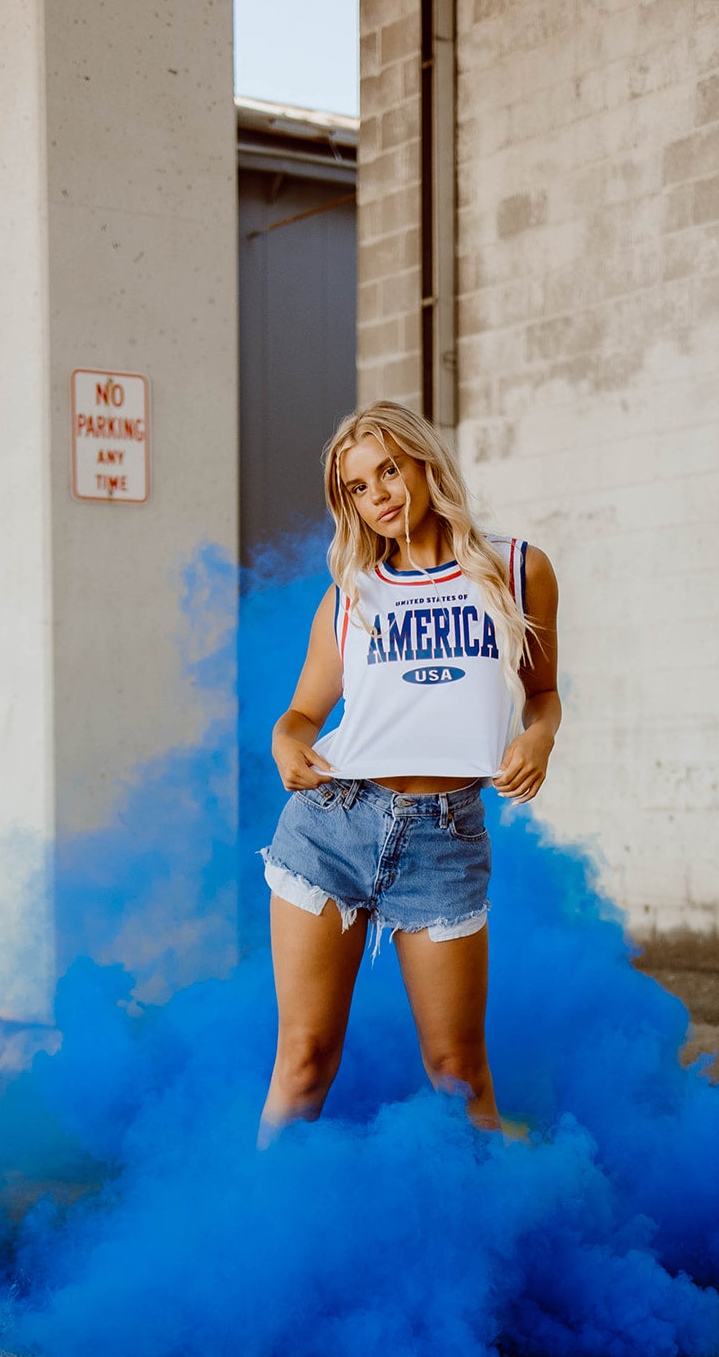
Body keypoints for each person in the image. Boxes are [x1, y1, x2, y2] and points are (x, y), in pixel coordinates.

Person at [259, 400, 560, 1143]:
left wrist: (540, 740)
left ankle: (488, 1250)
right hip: (331, 825)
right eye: (358, 487)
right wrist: (284, 745)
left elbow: (545, 694)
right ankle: (264, 1237)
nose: (380, 494)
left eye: (389, 470)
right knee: (304, 1061)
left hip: (444, 838)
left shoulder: (517, 570)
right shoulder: (350, 596)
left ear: (424, 462)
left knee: (458, 1070)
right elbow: (299, 716)